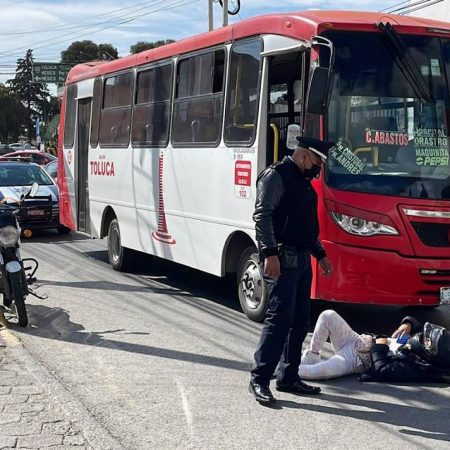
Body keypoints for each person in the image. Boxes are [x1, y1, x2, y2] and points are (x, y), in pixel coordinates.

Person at [249, 136, 334, 404]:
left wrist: (320, 254)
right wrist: (269, 254)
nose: (319, 167)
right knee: (278, 321)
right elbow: (262, 216)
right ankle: (260, 380)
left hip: (302, 259)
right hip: (282, 259)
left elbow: (307, 224)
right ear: (305, 155)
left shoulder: (304, 182)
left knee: (300, 322)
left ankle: (288, 377)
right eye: (318, 161)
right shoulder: (276, 176)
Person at [299, 310, 450, 384]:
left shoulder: (415, 368)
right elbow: (418, 323)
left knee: (322, 371)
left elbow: (382, 369)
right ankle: (312, 355)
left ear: (429, 353)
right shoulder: (424, 347)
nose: (420, 336)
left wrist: (380, 347)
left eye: (424, 339)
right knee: (328, 315)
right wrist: (408, 324)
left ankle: (285, 370)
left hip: (355, 360)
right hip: (358, 339)